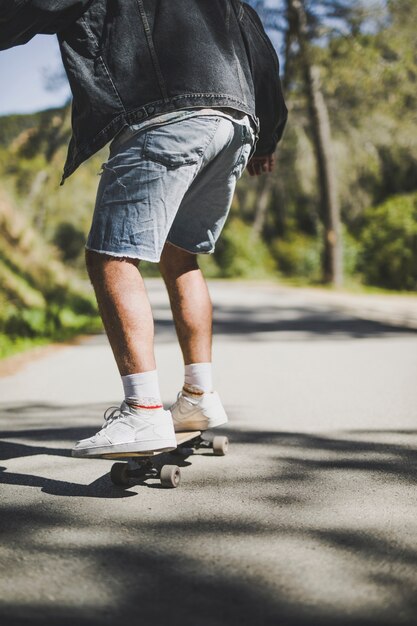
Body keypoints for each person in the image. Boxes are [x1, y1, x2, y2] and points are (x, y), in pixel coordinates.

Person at [1, 1, 287, 456]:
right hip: (234, 121)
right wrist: (266, 137)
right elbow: (263, 56)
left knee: (111, 255)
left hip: (165, 113)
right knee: (180, 255)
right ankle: (198, 396)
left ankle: (142, 411)